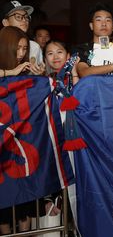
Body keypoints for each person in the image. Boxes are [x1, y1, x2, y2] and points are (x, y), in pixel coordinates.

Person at [0, 25, 46, 234]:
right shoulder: (8, 69)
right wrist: (10, 72)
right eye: (17, 48)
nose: (20, 54)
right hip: (3, 145)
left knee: (24, 203)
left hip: (24, 143)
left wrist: (42, 78)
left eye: (24, 49)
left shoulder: (26, 70)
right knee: (4, 203)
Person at [72, 2, 113, 85]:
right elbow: (84, 72)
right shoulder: (82, 49)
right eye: (99, 20)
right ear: (91, 26)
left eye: (108, 20)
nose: (104, 24)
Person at [1, 0, 45, 72]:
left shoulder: (34, 47)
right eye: (18, 17)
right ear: (5, 22)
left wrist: (39, 74)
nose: (24, 20)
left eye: (26, 17)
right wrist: (11, 72)